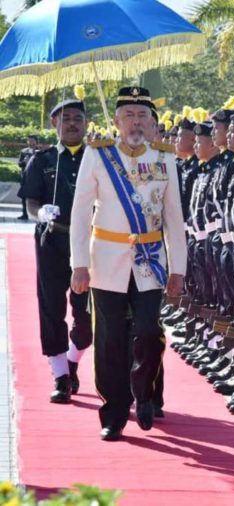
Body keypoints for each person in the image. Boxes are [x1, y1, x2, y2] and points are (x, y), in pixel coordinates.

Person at [69, 86, 186, 442]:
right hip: (106, 261)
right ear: (117, 121)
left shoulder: (165, 158)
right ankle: (114, 413)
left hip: (150, 262)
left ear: (152, 121)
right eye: (129, 115)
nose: (136, 121)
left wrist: (178, 267)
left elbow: (174, 218)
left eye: (142, 115)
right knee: (109, 341)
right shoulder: (97, 155)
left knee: (149, 331)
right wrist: (79, 264)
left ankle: (144, 390)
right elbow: (79, 213)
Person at [17, 95, 92, 404]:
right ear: (54, 124)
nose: (72, 124)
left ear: (86, 123)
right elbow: (31, 203)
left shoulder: (98, 158)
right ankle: (60, 375)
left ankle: (74, 360)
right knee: (51, 308)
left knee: (86, 313)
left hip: (89, 244)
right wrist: (40, 213)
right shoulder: (43, 159)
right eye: (65, 119)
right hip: (52, 240)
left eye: (77, 118)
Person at [17, 135, 40, 220]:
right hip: (25, 177)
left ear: (36, 142)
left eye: (32, 140)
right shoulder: (24, 151)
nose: (30, 142)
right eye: (28, 140)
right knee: (24, 196)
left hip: (37, 178)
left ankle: (37, 214)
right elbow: (19, 164)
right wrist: (24, 161)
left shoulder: (40, 152)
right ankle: (24, 214)